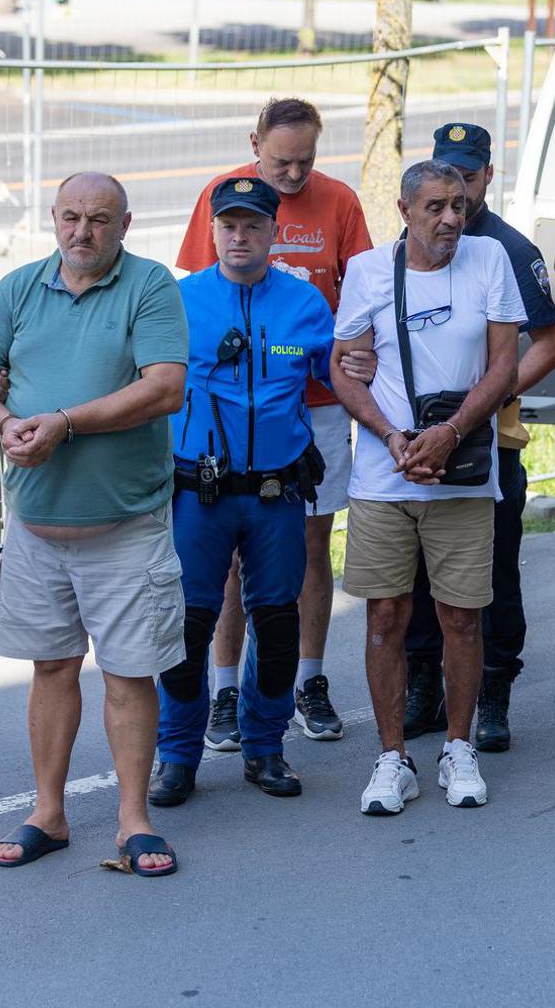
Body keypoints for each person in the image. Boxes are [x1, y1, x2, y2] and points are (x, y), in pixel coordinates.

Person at [0, 172, 190, 875]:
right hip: (36, 526)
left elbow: (164, 388)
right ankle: (47, 814)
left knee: (127, 672)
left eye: (99, 220)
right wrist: (6, 421)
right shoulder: (20, 287)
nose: (83, 233)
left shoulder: (149, 286)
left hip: (125, 526)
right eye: (71, 218)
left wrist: (63, 424)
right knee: (50, 667)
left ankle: (132, 820)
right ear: (52, 218)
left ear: (125, 224)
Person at [345, 123, 555, 754]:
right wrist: (391, 417)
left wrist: (468, 413)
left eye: (465, 187)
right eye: (441, 190)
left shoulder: (504, 252)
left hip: (486, 448)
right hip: (399, 457)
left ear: (487, 178)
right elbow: (350, 354)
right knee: (400, 597)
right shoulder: (380, 264)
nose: (453, 205)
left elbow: (537, 346)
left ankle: (492, 695)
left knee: (484, 590)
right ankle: (420, 692)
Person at [177, 98, 374, 747]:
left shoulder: (339, 202)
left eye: (304, 162)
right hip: (228, 419)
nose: (291, 174)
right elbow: (192, 306)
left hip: (310, 406)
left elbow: (363, 297)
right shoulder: (221, 197)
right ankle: (226, 688)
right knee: (227, 564)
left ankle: (305, 681)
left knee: (307, 553)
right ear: (253, 142)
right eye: (279, 161)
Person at [330, 160, 525, 814]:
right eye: (436, 206)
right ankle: (392, 758)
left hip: (462, 470)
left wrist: (451, 432)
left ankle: (458, 747)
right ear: (405, 208)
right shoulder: (366, 271)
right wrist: (391, 437)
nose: (450, 219)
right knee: (385, 615)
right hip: (384, 476)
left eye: (459, 205)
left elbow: (504, 363)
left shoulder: (489, 258)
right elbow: (344, 367)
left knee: (461, 618)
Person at [148, 178, 335, 807]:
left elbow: (345, 377)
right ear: (211, 231)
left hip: (275, 494)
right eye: (227, 225)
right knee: (188, 626)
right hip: (196, 495)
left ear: (273, 232)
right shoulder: (177, 302)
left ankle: (265, 747)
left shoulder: (306, 306)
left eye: (252, 225)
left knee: (277, 626)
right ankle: (177, 755)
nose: (238, 237)